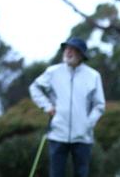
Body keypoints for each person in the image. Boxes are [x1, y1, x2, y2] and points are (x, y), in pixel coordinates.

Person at [29, 38, 106, 177]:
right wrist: (47, 106)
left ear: (81, 54)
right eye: (67, 48)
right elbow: (34, 88)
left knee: (81, 174)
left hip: (83, 137)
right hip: (58, 133)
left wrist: (87, 124)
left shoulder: (93, 76)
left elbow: (99, 105)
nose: (68, 51)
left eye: (73, 49)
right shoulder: (53, 72)